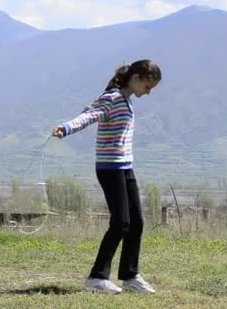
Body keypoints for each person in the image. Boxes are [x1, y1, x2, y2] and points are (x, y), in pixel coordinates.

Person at [52, 59, 162, 294]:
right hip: (109, 168)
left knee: (136, 223)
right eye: (148, 86)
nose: (149, 92)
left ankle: (130, 276)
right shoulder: (111, 98)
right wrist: (66, 128)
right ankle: (96, 277)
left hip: (125, 167)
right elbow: (90, 116)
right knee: (121, 222)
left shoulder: (126, 100)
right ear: (136, 78)